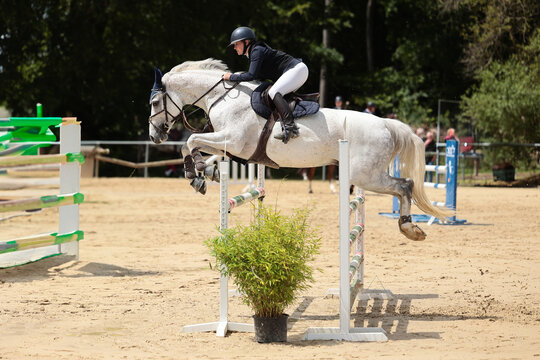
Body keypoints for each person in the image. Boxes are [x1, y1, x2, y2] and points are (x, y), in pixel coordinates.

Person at [222, 26, 309, 143]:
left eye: (236, 44)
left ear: (246, 42)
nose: (234, 47)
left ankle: (291, 128)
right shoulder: (255, 52)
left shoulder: (257, 51)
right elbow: (257, 77)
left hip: (297, 70)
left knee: (274, 92)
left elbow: (250, 76)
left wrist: (231, 77)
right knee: (275, 93)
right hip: (296, 71)